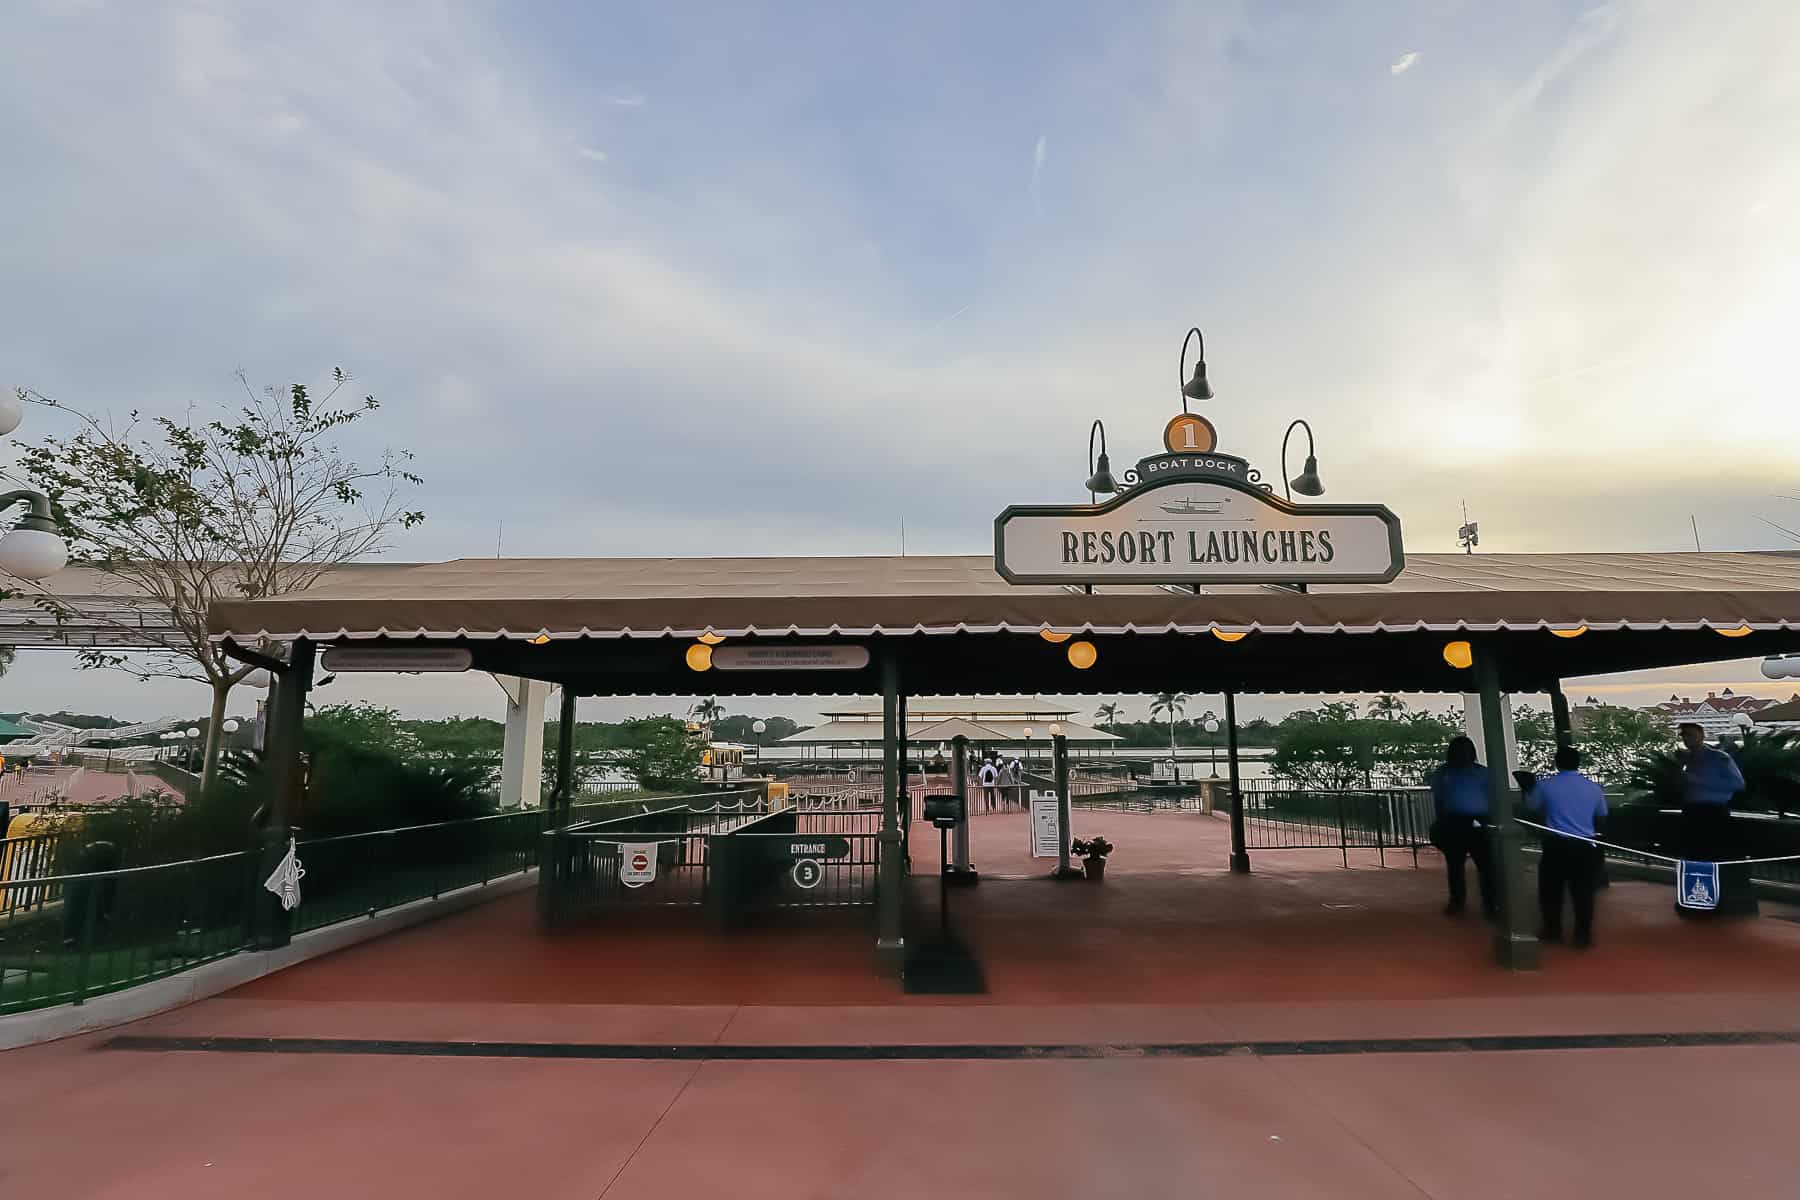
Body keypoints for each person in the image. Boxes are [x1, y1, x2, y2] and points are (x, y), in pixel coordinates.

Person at [1526, 745, 1608, 948]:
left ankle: (1553, 929)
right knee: (1583, 892)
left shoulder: (1546, 785)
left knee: (1551, 890)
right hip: (1585, 844)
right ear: (1578, 762)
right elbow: (1602, 815)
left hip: (1556, 844)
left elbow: (1532, 806)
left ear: (1557, 762)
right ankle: (1582, 934)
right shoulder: (1593, 787)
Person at [1429, 736, 1497, 918]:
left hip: (1476, 821)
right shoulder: (1445, 773)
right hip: (1456, 821)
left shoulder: (1480, 773)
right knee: (1458, 864)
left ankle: (1486, 904)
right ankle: (1463, 902)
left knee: (1483, 866)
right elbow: (1439, 799)